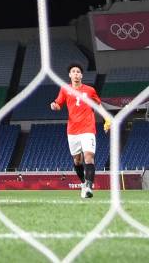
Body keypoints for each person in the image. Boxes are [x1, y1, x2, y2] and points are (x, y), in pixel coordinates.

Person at [50, 63, 101, 199]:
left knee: (89, 156)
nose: (76, 74)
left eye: (78, 71)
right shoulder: (65, 89)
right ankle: (84, 184)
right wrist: (54, 106)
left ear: (81, 75)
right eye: (73, 71)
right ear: (70, 75)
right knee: (77, 161)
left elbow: (98, 104)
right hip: (72, 130)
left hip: (88, 128)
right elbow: (58, 104)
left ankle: (89, 186)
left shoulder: (90, 90)